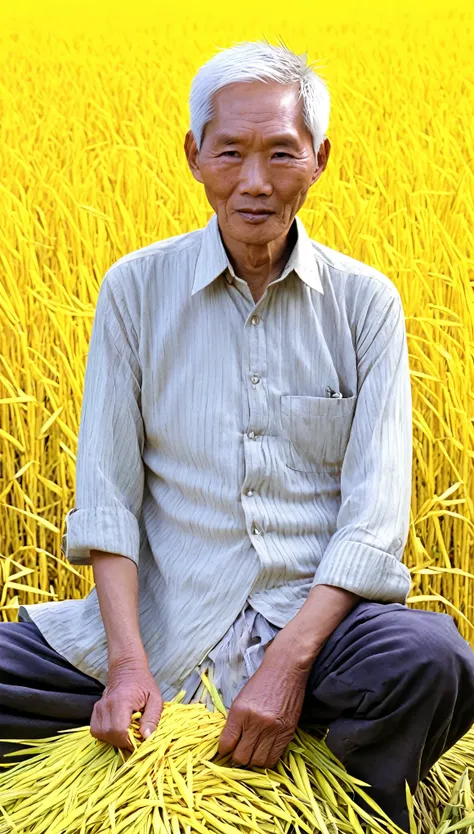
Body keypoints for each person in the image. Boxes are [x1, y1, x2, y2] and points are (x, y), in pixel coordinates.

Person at [1, 40, 473, 832]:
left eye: (281, 153)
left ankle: (346, 809)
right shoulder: (135, 289)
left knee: (433, 662)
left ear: (319, 159)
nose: (254, 182)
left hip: (317, 632)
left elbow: (374, 518)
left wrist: (288, 664)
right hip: (162, 620)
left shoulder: (366, 305)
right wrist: (125, 665)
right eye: (230, 152)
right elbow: (108, 498)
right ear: (194, 156)